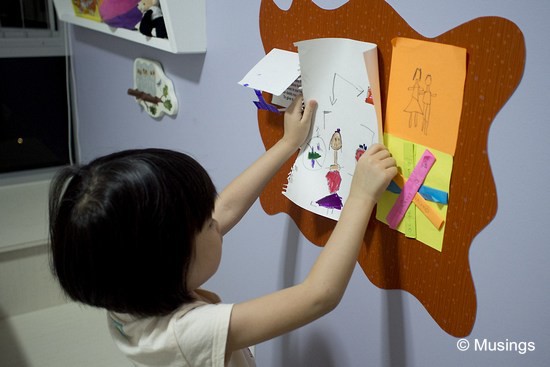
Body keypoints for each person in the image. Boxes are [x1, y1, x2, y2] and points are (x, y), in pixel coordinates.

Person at [49, 95, 397, 367]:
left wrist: (288, 143)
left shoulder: (122, 287)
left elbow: (224, 207)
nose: (216, 220)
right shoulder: (185, 334)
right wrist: (362, 195)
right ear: (170, 261)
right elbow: (318, 296)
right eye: (206, 224)